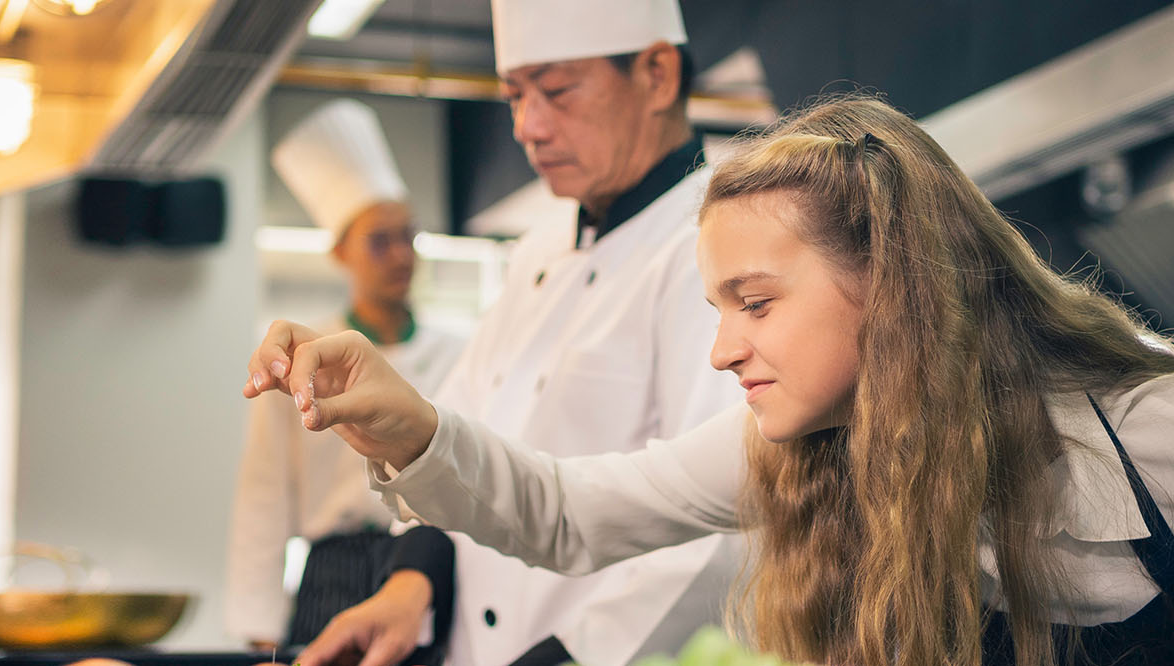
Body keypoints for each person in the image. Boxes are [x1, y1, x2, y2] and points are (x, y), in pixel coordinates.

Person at [244, 95, 1174, 665]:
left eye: (756, 303)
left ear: (888, 281)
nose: (722, 350)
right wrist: (411, 427)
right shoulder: (800, 448)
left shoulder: (1150, 434)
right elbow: (568, 511)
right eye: (716, 309)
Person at [246, 1, 746, 664]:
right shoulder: (536, 255)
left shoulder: (718, 243)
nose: (528, 128)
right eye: (514, 95)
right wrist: (411, 581)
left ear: (656, 74)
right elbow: (463, 436)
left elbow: (718, 538)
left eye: (558, 91)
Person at [225, 98, 466, 657]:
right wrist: (261, 630)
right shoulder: (301, 355)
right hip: (332, 571)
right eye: (379, 240)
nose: (400, 255)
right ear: (339, 252)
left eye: (408, 236)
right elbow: (265, 496)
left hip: (425, 565)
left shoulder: (460, 353)